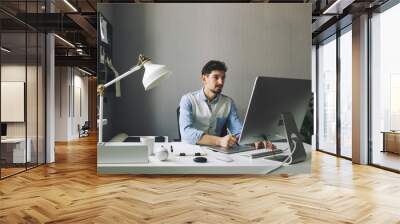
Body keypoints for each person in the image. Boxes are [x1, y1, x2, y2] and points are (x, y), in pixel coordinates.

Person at [179, 60, 275, 149]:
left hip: (218, 152)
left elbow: (237, 130)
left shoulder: (228, 102)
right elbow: (187, 133)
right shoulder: (188, 100)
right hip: (192, 150)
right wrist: (219, 141)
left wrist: (253, 140)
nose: (221, 82)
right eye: (216, 77)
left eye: (223, 78)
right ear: (204, 78)